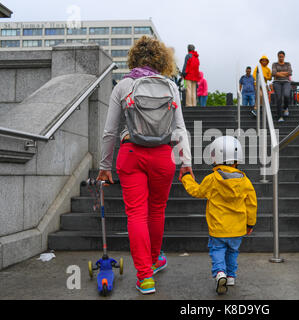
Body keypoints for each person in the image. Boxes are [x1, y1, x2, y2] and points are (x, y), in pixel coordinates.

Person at [97, 36, 194, 294]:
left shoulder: (124, 85)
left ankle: (145, 276)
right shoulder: (171, 86)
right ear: (162, 60)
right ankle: (153, 260)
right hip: (163, 155)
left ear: (133, 58)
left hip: (131, 154)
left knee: (136, 214)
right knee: (157, 210)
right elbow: (181, 128)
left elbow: (109, 132)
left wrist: (105, 166)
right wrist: (186, 161)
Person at [181, 136, 257, 295]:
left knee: (217, 250)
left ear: (216, 158)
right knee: (232, 252)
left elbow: (197, 192)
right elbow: (251, 204)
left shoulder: (212, 179)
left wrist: (186, 178)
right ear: (237, 160)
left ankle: (219, 273)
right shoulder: (246, 181)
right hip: (237, 229)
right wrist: (250, 224)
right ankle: (230, 276)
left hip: (218, 227)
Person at [272, 51, 293, 122]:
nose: (281, 58)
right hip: (277, 82)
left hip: (286, 82)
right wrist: (285, 74)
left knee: (286, 95)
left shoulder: (288, 64)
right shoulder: (274, 64)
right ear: (278, 57)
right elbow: (274, 73)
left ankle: (286, 108)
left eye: (282, 56)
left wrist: (279, 73)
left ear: (284, 57)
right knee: (279, 98)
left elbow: (290, 73)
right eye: (279, 56)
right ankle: (280, 116)